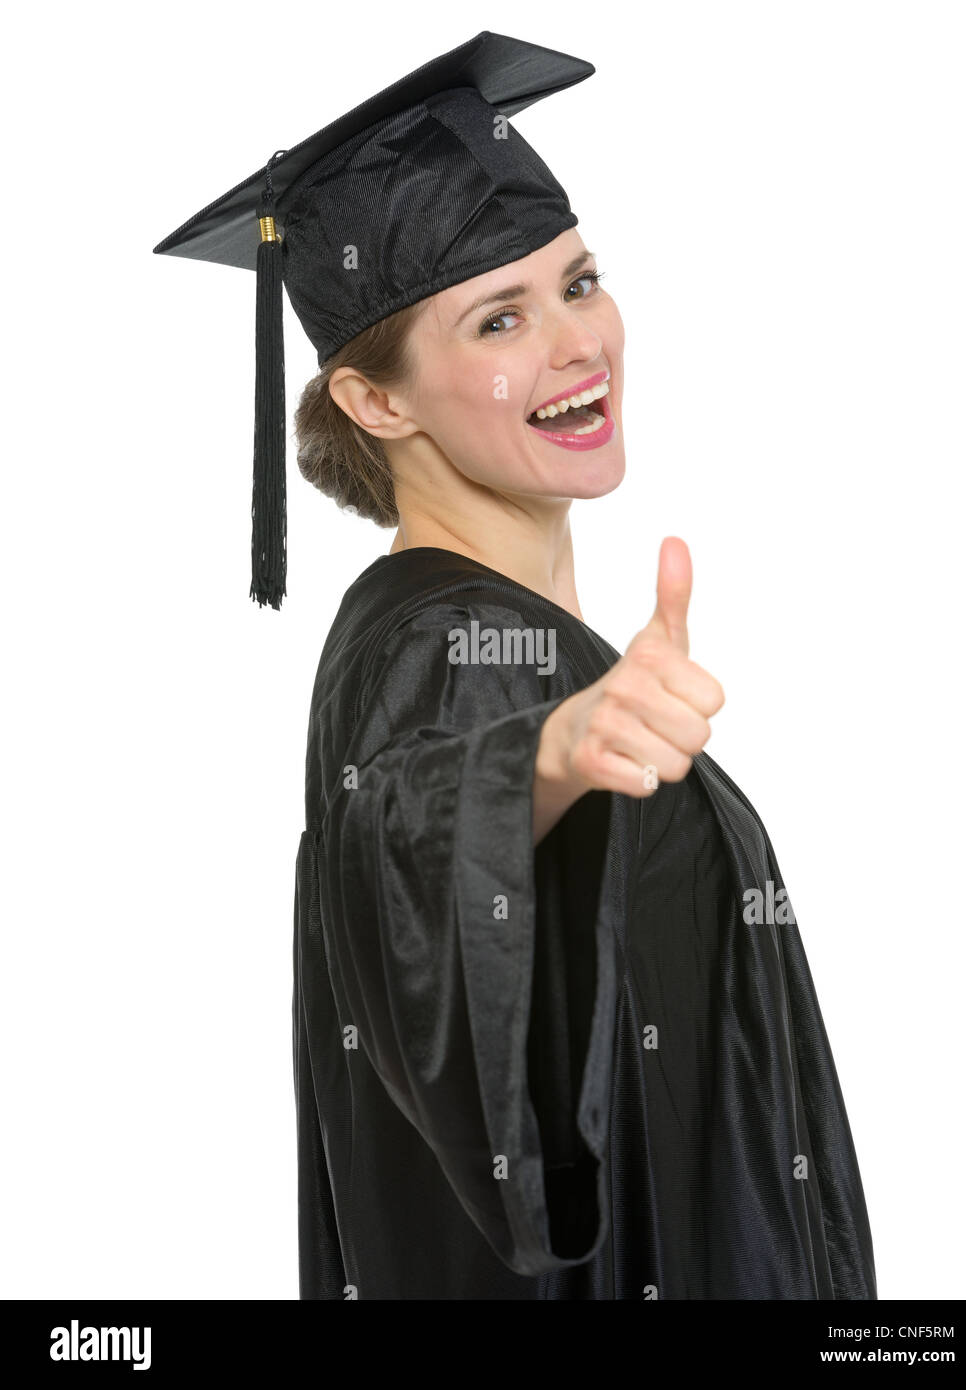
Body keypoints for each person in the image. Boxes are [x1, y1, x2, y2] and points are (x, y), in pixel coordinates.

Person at [154, 32, 877, 1300]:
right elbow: (411, 836)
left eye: (579, 281)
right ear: (379, 403)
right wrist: (533, 765)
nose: (576, 343)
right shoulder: (445, 655)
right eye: (500, 316)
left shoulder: (503, 638)